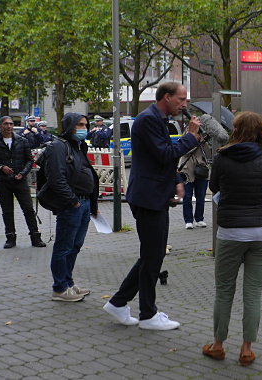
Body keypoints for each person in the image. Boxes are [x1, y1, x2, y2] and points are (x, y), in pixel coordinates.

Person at [103, 82, 201, 329]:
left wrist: (176, 181)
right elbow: (165, 155)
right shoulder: (148, 120)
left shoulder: (157, 119)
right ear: (166, 97)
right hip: (148, 197)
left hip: (153, 195)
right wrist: (190, 136)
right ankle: (146, 313)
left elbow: (161, 160)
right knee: (153, 255)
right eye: (181, 99)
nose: (184, 104)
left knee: (152, 254)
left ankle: (120, 303)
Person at [203, 111, 262, 367]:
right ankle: (247, 349)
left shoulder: (223, 158)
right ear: (260, 131)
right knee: (253, 292)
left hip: (230, 232)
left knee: (224, 291)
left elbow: (214, 188)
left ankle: (218, 345)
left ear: (236, 130)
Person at [37, 113, 99, 302]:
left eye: (85, 125)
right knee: (64, 247)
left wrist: (92, 204)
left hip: (84, 203)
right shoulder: (58, 147)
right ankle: (60, 288)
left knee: (75, 246)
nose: (84, 129)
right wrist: (73, 201)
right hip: (72, 205)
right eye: (79, 125)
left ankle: (68, 283)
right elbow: (57, 178)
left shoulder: (78, 146)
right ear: (69, 126)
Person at [0, 116, 46, 249]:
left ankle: (35, 237)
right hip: (2, 181)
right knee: (7, 211)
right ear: (1, 126)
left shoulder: (21, 140)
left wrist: (23, 173)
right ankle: (10, 237)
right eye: (6, 124)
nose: (9, 126)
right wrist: (0, 167)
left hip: (20, 180)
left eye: (11, 124)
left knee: (28, 209)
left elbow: (30, 160)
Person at [179, 117, 212, 230]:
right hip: (187, 171)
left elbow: (208, 154)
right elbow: (183, 151)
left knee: (201, 196)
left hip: (201, 170)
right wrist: (194, 141)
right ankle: (188, 220)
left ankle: (199, 219)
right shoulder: (185, 137)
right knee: (187, 196)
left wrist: (204, 142)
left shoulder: (204, 138)